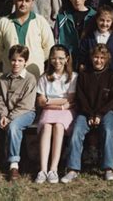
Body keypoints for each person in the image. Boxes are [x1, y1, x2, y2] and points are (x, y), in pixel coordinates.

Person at [61, 44, 113, 183]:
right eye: (95, 57)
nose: (98, 60)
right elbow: (81, 98)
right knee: (76, 132)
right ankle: (73, 169)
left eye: (101, 58)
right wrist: (89, 115)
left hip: (106, 112)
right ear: (91, 58)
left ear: (106, 59)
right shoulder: (84, 74)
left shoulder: (112, 75)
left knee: (108, 131)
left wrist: (99, 115)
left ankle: (108, 169)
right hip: (86, 112)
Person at [0, 45, 37, 181]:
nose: (16, 63)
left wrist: (9, 118)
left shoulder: (30, 79)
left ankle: (13, 165)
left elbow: (26, 104)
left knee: (14, 127)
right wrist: (3, 115)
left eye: (20, 60)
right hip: (4, 114)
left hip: (25, 113)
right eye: (14, 60)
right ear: (9, 60)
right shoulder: (4, 78)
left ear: (25, 62)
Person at [35, 45, 77, 184]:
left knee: (58, 126)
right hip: (51, 111)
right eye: (53, 58)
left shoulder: (72, 76)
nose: (57, 61)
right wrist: (58, 104)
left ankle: (53, 169)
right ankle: (43, 170)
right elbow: (41, 101)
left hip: (66, 113)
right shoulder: (45, 77)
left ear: (67, 59)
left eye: (60, 58)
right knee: (47, 127)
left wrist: (49, 100)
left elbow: (70, 99)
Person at [0, 0, 54, 78]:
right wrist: (8, 59)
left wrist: (37, 58)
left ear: (32, 2)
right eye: (20, 0)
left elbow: (49, 46)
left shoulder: (40, 21)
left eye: (27, 1)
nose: (23, 4)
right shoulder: (4, 22)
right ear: (14, 0)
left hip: (34, 74)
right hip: (10, 74)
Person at [79, 5, 113, 85]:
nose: (104, 24)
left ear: (112, 21)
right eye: (101, 20)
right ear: (96, 20)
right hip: (92, 78)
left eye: (108, 21)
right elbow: (82, 59)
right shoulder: (88, 37)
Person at [54, 0, 96, 69]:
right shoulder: (62, 17)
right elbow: (56, 40)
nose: (77, 0)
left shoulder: (94, 16)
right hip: (67, 60)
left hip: (89, 59)